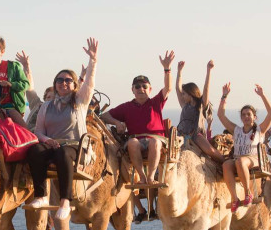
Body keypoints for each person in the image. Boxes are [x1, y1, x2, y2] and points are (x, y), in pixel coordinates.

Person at [27, 38, 99, 220]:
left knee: (63, 153)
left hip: (74, 146)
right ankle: (41, 196)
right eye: (59, 80)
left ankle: (65, 201)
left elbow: (89, 84)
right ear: (55, 84)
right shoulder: (46, 106)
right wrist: (46, 140)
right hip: (52, 144)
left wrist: (93, 60)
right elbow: (38, 131)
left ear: (74, 84)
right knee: (35, 150)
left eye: (68, 80)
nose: (63, 83)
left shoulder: (79, 102)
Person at [102, 51, 174, 185]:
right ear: (133, 90)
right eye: (137, 86)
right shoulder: (126, 107)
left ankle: (151, 177)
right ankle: (142, 177)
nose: (141, 89)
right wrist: (116, 122)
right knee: (132, 142)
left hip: (156, 139)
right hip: (137, 140)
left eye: (144, 86)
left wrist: (167, 69)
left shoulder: (156, 102)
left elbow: (168, 88)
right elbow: (104, 116)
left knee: (154, 142)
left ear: (150, 89)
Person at [217, 83, 271, 211]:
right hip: (238, 159)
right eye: (243, 115)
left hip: (254, 159)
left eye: (249, 114)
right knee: (226, 165)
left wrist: (262, 95)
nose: (246, 117)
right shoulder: (236, 130)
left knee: (240, 161)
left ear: (254, 117)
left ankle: (248, 193)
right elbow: (221, 115)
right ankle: (234, 198)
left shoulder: (260, 130)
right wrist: (224, 96)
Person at [174, 60, 225, 163]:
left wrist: (208, 71)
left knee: (210, 151)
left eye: (184, 94)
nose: (182, 96)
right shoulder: (185, 105)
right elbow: (177, 89)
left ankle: (224, 163)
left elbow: (206, 90)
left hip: (196, 135)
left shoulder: (201, 106)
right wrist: (179, 71)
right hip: (181, 135)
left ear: (190, 94)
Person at [16, 50, 54, 131]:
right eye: (49, 97)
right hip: (29, 136)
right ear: (45, 99)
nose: (51, 100)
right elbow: (30, 88)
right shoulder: (37, 105)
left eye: (54, 98)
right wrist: (26, 67)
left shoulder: (61, 113)